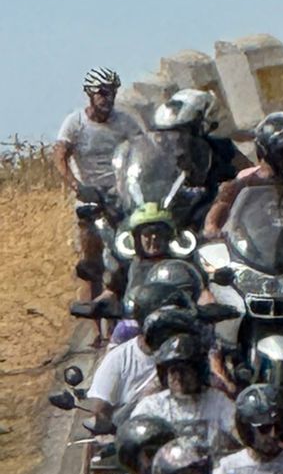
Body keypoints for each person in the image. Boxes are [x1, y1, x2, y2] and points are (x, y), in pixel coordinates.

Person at [54, 68, 142, 305]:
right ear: (90, 94)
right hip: (89, 194)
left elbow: (143, 149)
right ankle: (91, 319)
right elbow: (60, 156)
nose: (108, 98)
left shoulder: (125, 122)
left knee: (131, 247)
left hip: (119, 193)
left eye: (112, 92)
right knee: (90, 260)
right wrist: (77, 186)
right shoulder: (76, 122)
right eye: (102, 93)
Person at [204, 113, 283, 243]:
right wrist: (211, 227)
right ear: (268, 153)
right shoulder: (247, 183)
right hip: (255, 251)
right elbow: (222, 203)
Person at [143, 315, 238, 450]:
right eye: (173, 371)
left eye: (185, 371)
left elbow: (237, 429)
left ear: (199, 372)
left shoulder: (217, 401)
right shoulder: (152, 406)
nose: (179, 378)